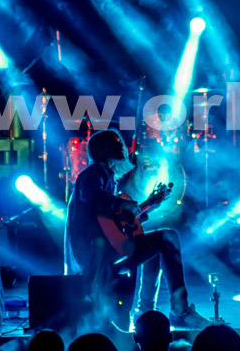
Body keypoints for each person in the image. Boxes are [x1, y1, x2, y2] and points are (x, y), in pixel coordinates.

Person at [65, 130, 209, 329]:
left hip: (105, 254)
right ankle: (179, 310)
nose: (123, 147)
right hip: (96, 260)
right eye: (117, 143)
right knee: (167, 238)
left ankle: (145, 312)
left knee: (154, 246)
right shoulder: (94, 173)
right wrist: (123, 204)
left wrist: (150, 203)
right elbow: (90, 195)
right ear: (104, 149)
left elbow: (117, 224)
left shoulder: (106, 178)